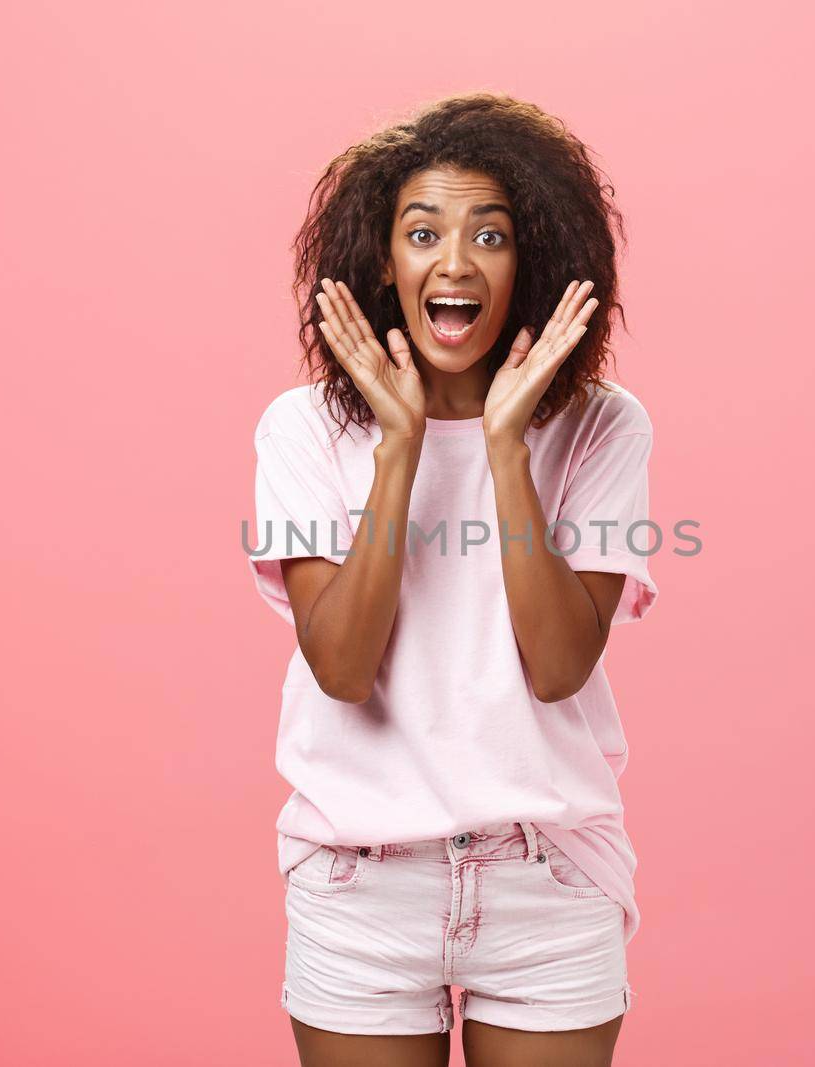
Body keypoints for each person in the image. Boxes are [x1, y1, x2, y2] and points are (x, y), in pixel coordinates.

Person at [247, 91, 658, 1067]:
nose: (455, 260)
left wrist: (506, 446)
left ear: (539, 261)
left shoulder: (605, 424)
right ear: (382, 262)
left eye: (491, 233)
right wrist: (400, 448)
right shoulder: (302, 429)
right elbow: (342, 667)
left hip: (545, 876)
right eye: (422, 231)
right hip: (362, 881)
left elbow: (557, 665)